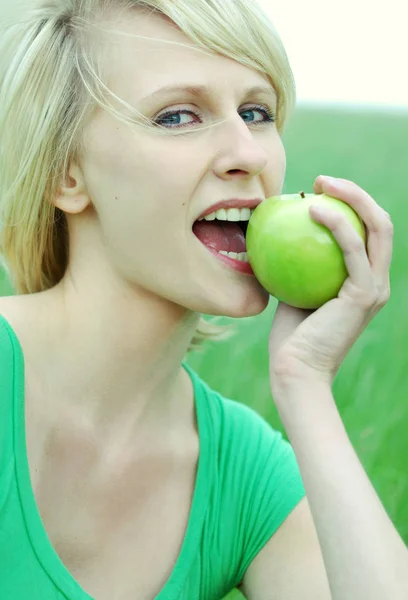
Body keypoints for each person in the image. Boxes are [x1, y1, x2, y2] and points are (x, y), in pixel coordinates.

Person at [0, 1, 407, 599]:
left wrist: (307, 386)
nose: (251, 154)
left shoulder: (241, 471)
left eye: (256, 111)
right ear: (68, 174)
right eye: (177, 116)